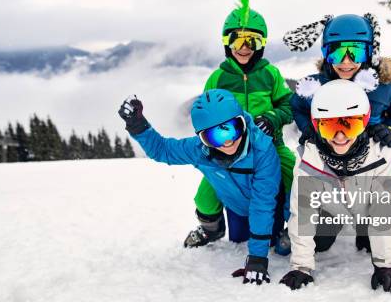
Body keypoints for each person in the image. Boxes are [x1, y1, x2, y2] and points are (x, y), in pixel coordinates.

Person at [284, 13, 391, 254]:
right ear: (326, 53)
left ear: (369, 52)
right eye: (337, 52)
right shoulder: (316, 85)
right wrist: (309, 130)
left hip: (374, 159)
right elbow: (298, 106)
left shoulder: (386, 87)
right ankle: (298, 229)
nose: (346, 61)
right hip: (331, 157)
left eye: (355, 52)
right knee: (306, 191)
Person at [118, 89, 282, 285]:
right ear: (202, 138)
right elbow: (163, 150)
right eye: (214, 136)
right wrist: (138, 126)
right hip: (236, 204)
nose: (227, 140)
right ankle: (212, 229)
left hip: (270, 204)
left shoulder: (263, 150)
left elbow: (263, 205)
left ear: (243, 123)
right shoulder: (200, 150)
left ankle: (290, 231)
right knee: (234, 234)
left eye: (232, 128)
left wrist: (257, 258)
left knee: (276, 243)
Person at [185, 0, 296, 256]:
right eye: (237, 41)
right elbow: (205, 113)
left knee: (294, 174)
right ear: (226, 42)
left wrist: (272, 117)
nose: (244, 48)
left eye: (252, 42)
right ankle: (212, 229)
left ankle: (291, 227)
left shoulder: (270, 73)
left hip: (269, 146)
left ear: (262, 44)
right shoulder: (218, 78)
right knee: (205, 194)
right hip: (227, 148)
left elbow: (288, 105)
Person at [280, 80, 391, 293]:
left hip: (367, 211)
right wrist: (301, 266)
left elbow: (384, 209)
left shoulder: (381, 154)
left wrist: (386, 267)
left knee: (371, 240)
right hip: (333, 211)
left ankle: (363, 233)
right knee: (320, 243)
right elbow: (302, 213)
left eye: (350, 124)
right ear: (316, 125)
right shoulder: (308, 159)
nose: (340, 136)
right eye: (329, 126)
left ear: (365, 122)